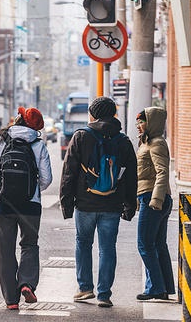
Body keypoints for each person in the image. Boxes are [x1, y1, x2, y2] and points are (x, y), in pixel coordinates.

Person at [60, 96, 137, 308]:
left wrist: (66, 204)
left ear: (92, 114)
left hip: (85, 203)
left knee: (83, 243)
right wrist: (130, 206)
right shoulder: (124, 141)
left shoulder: (82, 136)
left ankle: (85, 288)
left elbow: (69, 173)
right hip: (112, 205)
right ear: (113, 114)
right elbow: (131, 177)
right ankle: (104, 294)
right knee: (107, 247)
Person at [0, 107, 53, 310]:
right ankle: (26, 284)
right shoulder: (38, 144)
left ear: (18, 119)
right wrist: (33, 191)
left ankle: (11, 300)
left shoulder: (1, 139)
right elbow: (47, 179)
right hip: (30, 205)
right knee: (29, 244)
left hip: (2, 203)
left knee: (6, 250)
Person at [135, 108, 175, 300]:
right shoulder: (148, 142)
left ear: (151, 122)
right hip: (151, 196)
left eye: (141, 121)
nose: (138, 125)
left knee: (144, 243)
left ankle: (156, 288)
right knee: (158, 245)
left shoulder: (157, 143)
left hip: (153, 199)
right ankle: (164, 288)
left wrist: (156, 200)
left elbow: (162, 172)